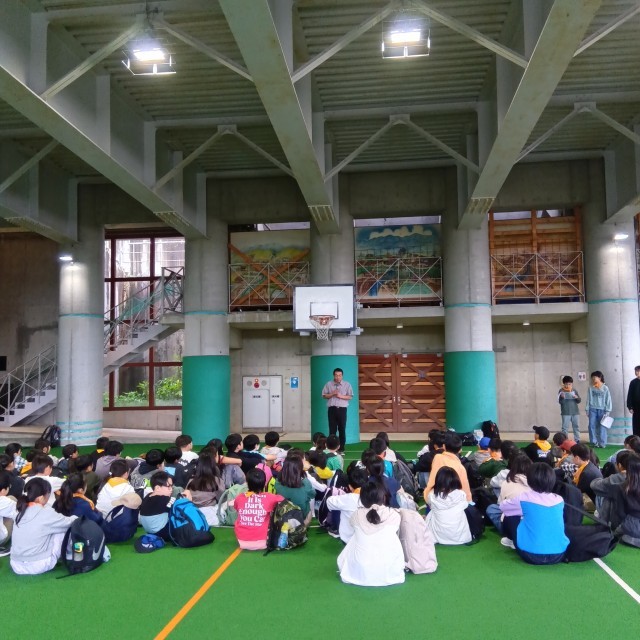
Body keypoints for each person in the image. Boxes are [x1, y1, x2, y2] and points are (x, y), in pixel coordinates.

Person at [336, 479, 405, 587]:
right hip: (389, 569)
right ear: (383, 497)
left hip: (361, 569)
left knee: (355, 537)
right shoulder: (394, 514)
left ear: (362, 499)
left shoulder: (356, 515)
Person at [500, 462, 569, 565]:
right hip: (559, 554)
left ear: (529, 480)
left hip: (530, 555)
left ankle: (511, 540)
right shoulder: (559, 499)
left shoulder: (524, 498)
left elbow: (503, 507)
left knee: (510, 516)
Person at [9, 477, 76, 575]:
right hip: (38, 565)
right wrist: (76, 517)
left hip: (16, 565)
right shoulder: (45, 512)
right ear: (40, 498)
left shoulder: (19, 512)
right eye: (48, 495)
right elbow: (68, 523)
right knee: (62, 530)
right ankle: (71, 555)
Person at [233, 467, 284, 550]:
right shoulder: (269, 497)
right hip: (264, 541)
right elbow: (283, 500)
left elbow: (236, 508)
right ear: (265, 484)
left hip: (242, 541)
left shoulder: (239, 497)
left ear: (247, 483)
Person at [425, 467, 472, 545]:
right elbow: (466, 505)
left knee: (431, 511)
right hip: (460, 537)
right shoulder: (461, 494)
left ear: (438, 481)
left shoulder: (431, 496)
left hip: (438, 535)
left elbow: (430, 506)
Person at [140, 471, 191, 540]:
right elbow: (184, 505)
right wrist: (188, 493)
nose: (171, 489)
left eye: (172, 486)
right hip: (161, 533)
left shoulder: (148, 496)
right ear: (157, 488)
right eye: (168, 487)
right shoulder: (164, 499)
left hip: (150, 532)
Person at [424, 432, 471, 501]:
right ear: (460, 450)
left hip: (433, 497)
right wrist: (469, 500)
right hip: (453, 501)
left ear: (443, 446)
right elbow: (465, 488)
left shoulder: (437, 458)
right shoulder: (461, 467)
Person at [327, 466, 368, 543]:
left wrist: (340, 494)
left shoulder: (348, 498)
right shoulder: (374, 495)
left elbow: (329, 501)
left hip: (349, 539)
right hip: (367, 537)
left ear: (350, 486)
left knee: (338, 507)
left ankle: (335, 529)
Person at [274, 454, 315, 525]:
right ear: (300, 467)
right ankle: (303, 527)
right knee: (309, 505)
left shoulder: (277, 481)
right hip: (301, 516)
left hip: (283, 515)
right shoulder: (305, 482)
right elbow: (312, 495)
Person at [186, 454, 224, 526]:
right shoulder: (216, 480)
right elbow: (222, 498)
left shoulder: (191, 481)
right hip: (210, 512)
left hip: (193, 513)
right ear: (213, 466)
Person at [322, 367, 353, 453]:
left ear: (342, 376)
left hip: (342, 410)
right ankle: (331, 448)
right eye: (336, 375)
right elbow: (324, 395)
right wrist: (332, 394)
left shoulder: (347, 384)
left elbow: (350, 396)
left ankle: (341, 448)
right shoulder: (329, 384)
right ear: (333, 375)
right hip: (332, 409)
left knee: (342, 429)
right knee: (332, 430)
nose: (338, 377)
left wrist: (340, 396)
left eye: (339, 375)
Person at [586, 370, 612, 448]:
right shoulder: (590, 388)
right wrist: (587, 409)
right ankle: (594, 442)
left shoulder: (605, 388)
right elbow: (588, 399)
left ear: (600, 378)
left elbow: (608, 399)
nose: (594, 379)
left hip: (602, 410)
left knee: (602, 426)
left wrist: (608, 410)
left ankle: (602, 443)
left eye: (595, 377)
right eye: (592, 377)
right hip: (592, 409)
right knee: (591, 426)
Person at [558, 375, 581, 441]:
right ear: (563, 384)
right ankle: (565, 440)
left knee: (576, 427)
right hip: (565, 412)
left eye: (569, 384)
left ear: (572, 384)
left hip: (575, 412)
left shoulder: (574, 390)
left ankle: (577, 440)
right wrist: (562, 397)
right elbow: (560, 402)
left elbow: (579, 401)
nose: (567, 385)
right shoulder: (561, 391)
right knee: (565, 428)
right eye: (566, 384)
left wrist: (577, 397)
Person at [0, 471, 17, 556]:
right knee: (12, 499)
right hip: (1, 539)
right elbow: (19, 514)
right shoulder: (5, 501)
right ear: (3, 490)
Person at [627, 366, 640, 437]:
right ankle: (637, 441)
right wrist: (630, 407)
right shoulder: (633, 382)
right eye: (635, 371)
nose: (636, 372)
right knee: (636, 426)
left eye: (638, 371)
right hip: (636, 408)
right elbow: (630, 395)